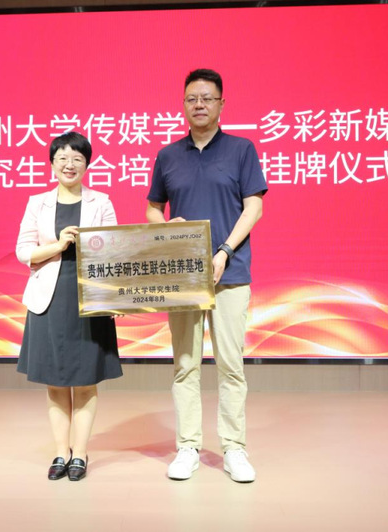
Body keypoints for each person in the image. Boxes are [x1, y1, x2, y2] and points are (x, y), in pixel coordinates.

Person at [146, 69, 267, 483]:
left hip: (230, 272)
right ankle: (188, 447)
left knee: (231, 365)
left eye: (207, 98)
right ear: (183, 104)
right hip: (183, 277)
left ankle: (234, 449)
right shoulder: (168, 155)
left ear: (221, 104)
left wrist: (225, 250)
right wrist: (166, 227)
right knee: (185, 365)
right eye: (191, 98)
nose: (199, 104)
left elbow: (254, 207)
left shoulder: (241, 149)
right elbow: (152, 209)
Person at [16, 131, 122, 481]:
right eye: (62, 158)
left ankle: (81, 454)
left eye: (77, 158)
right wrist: (58, 246)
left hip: (90, 301)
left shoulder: (101, 202)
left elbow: (114, 251)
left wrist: (116, 296)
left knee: (86, 381)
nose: (69, 164)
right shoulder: (37, 203)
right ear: (52, 164)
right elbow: (23, 251)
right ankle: (61, 453)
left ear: (87, 164)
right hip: (49, 300)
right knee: (56, 382)